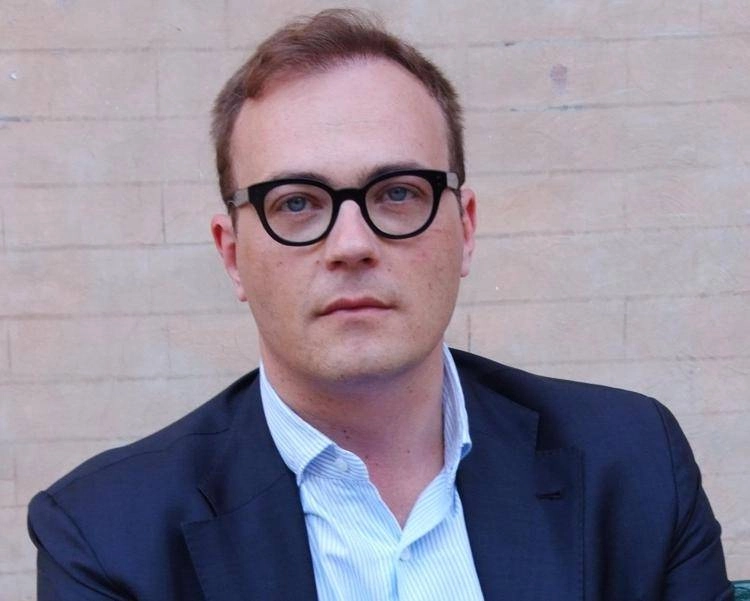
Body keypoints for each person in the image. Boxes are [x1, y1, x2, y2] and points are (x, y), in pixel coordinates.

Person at [28, 9, 732, 601]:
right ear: (232, 253)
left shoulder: (632, 465)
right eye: (296, 204)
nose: (351, 244)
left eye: (397, 193)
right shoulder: (105, 537)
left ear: (465, 229)